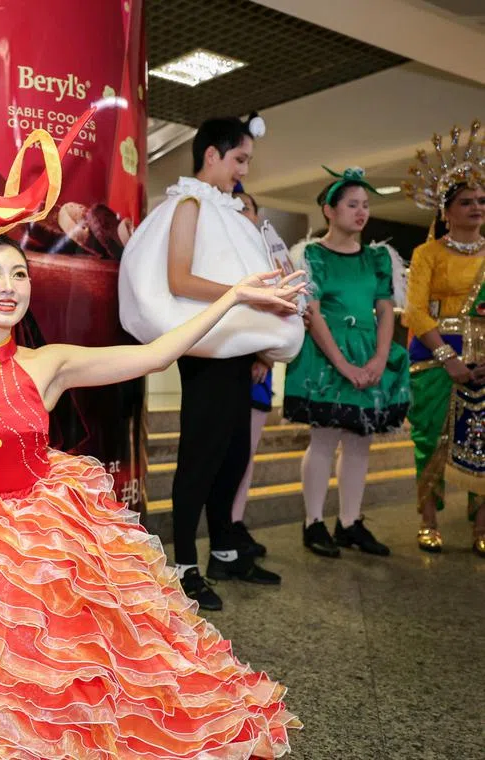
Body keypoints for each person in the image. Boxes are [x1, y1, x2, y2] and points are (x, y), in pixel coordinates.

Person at [0, 234, 303, 758]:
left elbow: (156, 355)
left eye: (19, 274)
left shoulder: (48, 361)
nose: (9, 286)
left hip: (41, 531)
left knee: (64, 672)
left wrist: (230, 297)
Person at [119, 114, 305, 611]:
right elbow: (180, 280)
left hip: (237, 349)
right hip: (206, 348)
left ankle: (224, 549)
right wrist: (250, 297)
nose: (242, 170)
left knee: (232, 455)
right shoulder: (189, 202)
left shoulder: (229, 211)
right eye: (239, 159)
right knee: (200, 456)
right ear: (212, 155)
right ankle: (183, 566)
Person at [283, 168, 410, 557]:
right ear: (329, 210)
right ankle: (314, 522)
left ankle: (351, 522)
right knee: (323, 439)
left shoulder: (377, 258)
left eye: (366, 205)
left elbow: (387, 311)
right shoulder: (313, 255)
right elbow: (314, 315)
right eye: (352, 204)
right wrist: (345, 366)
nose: (361, 212)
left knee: (360, 441)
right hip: (326, 354)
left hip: (370, 353)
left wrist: (378, 359)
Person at [402, 121, 485, 557]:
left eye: (481, 200)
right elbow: (415, 310)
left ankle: (481, 527)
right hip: (434, 359)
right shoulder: (427, 254)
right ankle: (428, 520)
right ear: (447, 210)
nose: (477, 207)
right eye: (466, 201)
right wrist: (448, 356)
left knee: (484, 443)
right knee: (429, 439)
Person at [230, 188, 273, 558]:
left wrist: (268, 357)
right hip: (219, 366)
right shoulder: (217, 253)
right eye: (233, 205)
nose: (240, 212)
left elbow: (285, 311)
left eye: (246, 207)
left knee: (246, 453)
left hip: (258, 369)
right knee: (220, 455)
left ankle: (235, 522)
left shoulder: (266, 257)